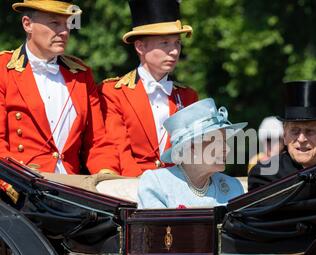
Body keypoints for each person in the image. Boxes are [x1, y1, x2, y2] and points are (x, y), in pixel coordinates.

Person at [0, 1, 120, 202]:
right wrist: (15, 182)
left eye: (68, 24)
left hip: (72, 191)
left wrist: (108, 180)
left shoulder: (81, 74)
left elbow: (98, 141)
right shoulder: (4, 69)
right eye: (55, 23)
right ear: (27, 24)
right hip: (20, 191)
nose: (64, 31)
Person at [99, 0, 198, 177]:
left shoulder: (188, 96)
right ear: (140, 47)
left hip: (180, 191)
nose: (174, 51)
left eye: (177, 43)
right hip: (132, 189)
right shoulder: (113, 92)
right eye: (165, 43)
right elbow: (119, 150)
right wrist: (142, 186)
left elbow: (194, 154)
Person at [138, 98, 247, 209]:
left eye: (224, 141)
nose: (227, 149)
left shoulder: (234, 188)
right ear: (191, 147)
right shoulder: (157, 184)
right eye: (217, 141)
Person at [248, 81, 316, 190]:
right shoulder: (264, 175)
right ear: (285, 135)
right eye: (295, 131)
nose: (301, 139)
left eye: (310, 131)